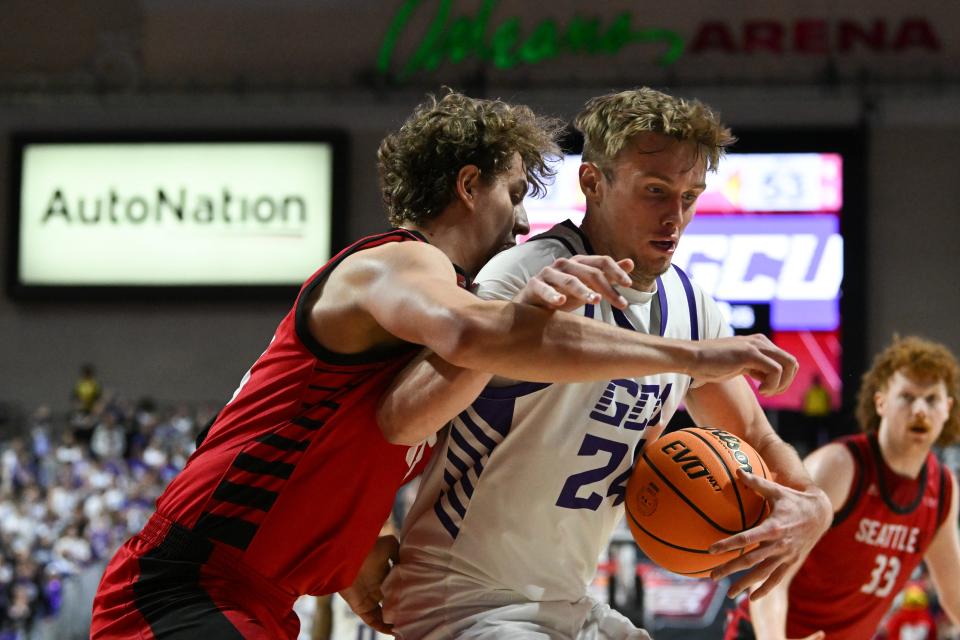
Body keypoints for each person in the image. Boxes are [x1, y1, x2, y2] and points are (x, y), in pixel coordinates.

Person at [89, 90, 801, 640]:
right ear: (469, 186)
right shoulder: (399, 261)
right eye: (516, 193)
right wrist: (692, 356)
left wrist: (362, 538)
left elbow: (348, 429)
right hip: (189, 582)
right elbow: (459, 351)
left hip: (257, 594)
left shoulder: (430, 310)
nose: (523, 222)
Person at [380, 87, 833, 640]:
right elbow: (398, 423)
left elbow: (758, 438)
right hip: (458, 602)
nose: (676, 216)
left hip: (568, 603)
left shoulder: (692, 308)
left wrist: (813, 506)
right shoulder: (526, 275)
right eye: (655, 191)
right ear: (592, 182)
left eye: (691, 196)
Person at [724, 335, 960, 640]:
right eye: (907, 396)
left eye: (931, 399)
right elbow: (769, 575)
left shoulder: (941, 489)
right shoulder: (839, 466)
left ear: (947, 408)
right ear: (881, 402)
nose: (919, 410)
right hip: (767, 633)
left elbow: (954, 592)